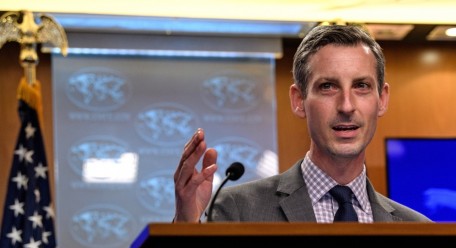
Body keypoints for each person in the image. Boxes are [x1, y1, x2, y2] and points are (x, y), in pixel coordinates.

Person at [173, 23, 431, 223]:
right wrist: (186, 226)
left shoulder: (418, 230)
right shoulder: (237, 209)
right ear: (299, 100)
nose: (346, 106)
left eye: (361, 86)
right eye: (328, 87)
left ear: (382, 100)